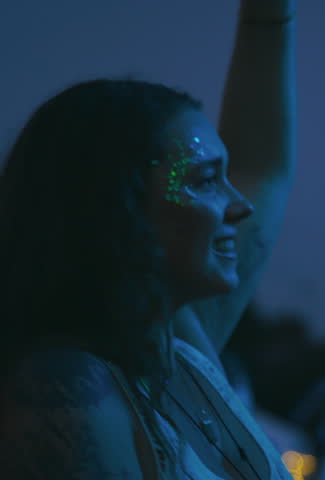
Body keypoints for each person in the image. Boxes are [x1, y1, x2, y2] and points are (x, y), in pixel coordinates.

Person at [0, 0, 296, 478]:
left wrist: (269, 16)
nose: (241, 207)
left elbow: (264, 168)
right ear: (118, 206)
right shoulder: (67, 388)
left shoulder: (179, 352)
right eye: (205, 180)